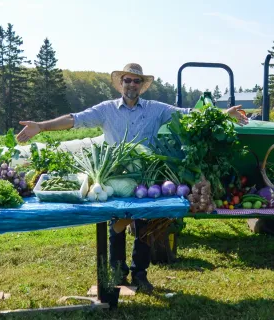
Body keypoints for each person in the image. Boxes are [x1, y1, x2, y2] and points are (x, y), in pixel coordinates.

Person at [16, 63, 248, 293]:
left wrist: (223, 113)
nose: (132, 85)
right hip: (115, 175)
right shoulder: (106, 110)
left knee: (144, 224)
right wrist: (41, 126)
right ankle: (118, 273)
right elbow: (75, 119)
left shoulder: (155, 109)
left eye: (137, 81)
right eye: (127, 80)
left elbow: (187, 114)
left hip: (146, 175)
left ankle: (140, 273)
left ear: (142, 86)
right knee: (116, 223)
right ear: (121, 84)